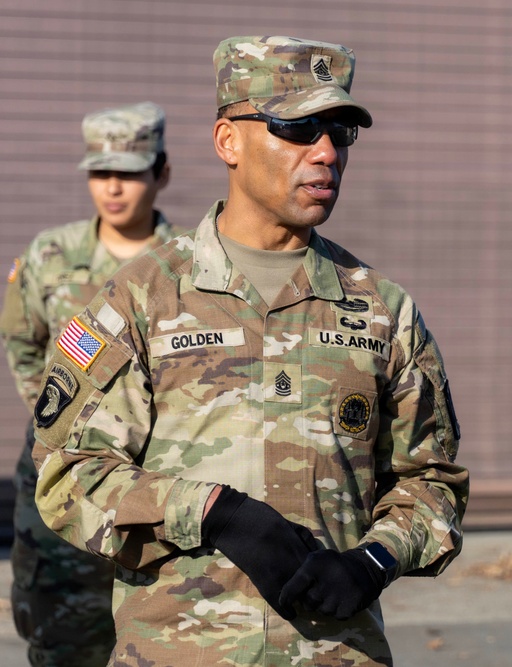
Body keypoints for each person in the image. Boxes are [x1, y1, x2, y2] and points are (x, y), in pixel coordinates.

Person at [29, 36, 468, 667]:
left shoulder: (382, 309)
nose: (324, 153)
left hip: (335, 651)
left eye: (338, 133)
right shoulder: (143, 296)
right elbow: (69, 473)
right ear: (228, 141)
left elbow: (430, 482)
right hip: (179, 652)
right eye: (296, 128)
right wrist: (212, 512)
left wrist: (375, 559)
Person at [0, 101, 178, 667]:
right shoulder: (51, 255)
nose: (113, 188)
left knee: (163, 627)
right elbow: (22, 340)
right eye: (101, 173)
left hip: (157, 474)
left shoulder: (188, 264)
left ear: (162, 172)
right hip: (60, 470)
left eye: (129, 172)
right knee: (59, 629)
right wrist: (55, 417)